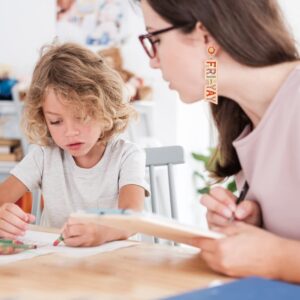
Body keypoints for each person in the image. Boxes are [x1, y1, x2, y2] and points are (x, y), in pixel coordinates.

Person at [137, 0, 300, 282]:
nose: (153, 60)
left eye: (155, 39)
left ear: (205, 36)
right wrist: (253, 229)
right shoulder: (245, 119)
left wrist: (278, 257)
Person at [0, 43, 149, 247]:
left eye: (81, 117)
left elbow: (133, 218)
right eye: (56, 121)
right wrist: (3, 217)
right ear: (43, 118)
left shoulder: (127, 156)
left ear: (104, 108)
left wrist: (102, 231)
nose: (70, 132)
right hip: (58, 267)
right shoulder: (44, 155)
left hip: (116, 267)